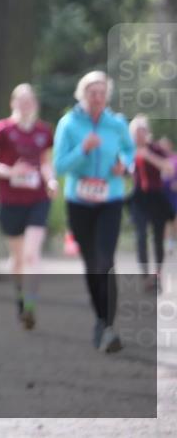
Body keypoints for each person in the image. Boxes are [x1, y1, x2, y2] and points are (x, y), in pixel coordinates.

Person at [53, 71, 134, 353]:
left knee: (105, 260)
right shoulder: (69, 124)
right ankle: (100, 319)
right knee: (91, 264)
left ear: (107, 95)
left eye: (102, 92)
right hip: (79, 202)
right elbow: (59, 166)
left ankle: (110, 327)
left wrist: (125, 165)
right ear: (82, 95)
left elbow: (129, 151)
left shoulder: (117, 123)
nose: (97, 97)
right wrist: (82, 150)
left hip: (110, 200)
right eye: (92, 92)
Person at [0, 84, 57, 330]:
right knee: (18, 258)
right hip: (10, 202)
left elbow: (46, 162)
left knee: (32, 253)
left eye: (29, 101)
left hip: (37, 200)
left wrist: (51, 180)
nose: (25, 106)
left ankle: (31, 305)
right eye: (20, 101)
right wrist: (11, 171)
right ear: (13, 103)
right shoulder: (1, 130)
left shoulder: (44, 131)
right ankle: (21, 299)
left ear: (35, 104)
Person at [128, 118, 176, 292]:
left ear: (147, 132)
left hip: (156, 197)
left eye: (142, 130)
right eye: (136, 131)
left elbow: (169, 168)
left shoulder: (155, 148)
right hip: (138, 198)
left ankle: (157, 275)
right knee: (140, 237)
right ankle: (145, 276)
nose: (139, 134)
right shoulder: (128, 149)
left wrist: (149, 156)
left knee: (157, 239)